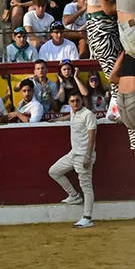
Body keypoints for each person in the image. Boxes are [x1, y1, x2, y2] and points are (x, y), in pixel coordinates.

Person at [49, 88, 98, 229]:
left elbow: (92, 135)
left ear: (81, 100)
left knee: (86, 186)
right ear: (69, 102)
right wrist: (57, 120)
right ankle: (74, 196)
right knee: (54, 171)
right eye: (72, 101)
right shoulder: (73, 112)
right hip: (73, 154)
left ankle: (87, 218)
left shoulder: (88, 114)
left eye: (77, 100)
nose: (75, 103)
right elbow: (70, 117)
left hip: (83, 155)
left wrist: (88, 156)